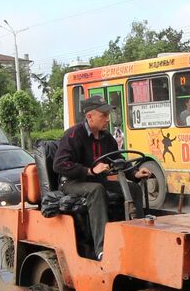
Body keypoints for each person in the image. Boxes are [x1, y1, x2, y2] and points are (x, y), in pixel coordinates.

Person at [53, 95, 151, 260]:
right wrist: (89, 171)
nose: (107, 119)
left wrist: (134, 173)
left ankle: (138, 235)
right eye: (103, 115)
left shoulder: (107, 138)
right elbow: (59, 164)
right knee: (97, 190)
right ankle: (102, 248)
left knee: (133, 188)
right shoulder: (73, 135)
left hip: (97, 181)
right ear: (89, 116)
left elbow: (118, 160)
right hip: (72, 183)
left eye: (108, 115)